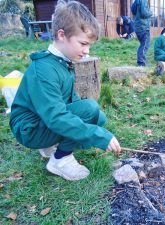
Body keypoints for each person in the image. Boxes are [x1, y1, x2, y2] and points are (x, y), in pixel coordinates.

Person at [9, 0, 121, 181]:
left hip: (41, 118)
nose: (87, 51)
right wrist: (96, 134)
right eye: (83, 43)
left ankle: (48, 145)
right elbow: (56, 117)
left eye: (89, 45)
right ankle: (60, 160)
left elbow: (71, 99)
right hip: (29, 129)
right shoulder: (44, 70)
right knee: (90, 110)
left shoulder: (62, 62)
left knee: (97, 117)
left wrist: (93, 126)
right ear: (62, 35)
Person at [131, 0, 152, 67]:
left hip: (138, 27)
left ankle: (141, 61)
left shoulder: (136, 1)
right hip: (143, 26)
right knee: (145, 45)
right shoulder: (143, 0)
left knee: (143, 45)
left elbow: (133, 11)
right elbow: (144, 13)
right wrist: (150, 12)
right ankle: (141, 62)